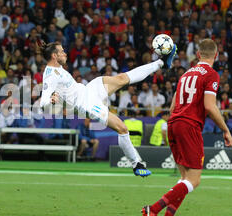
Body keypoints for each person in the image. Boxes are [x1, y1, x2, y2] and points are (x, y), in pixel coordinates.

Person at [39, 41, 177, 177]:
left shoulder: (58, 68)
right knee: (122, 128)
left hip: (89, 90)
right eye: (62, 51)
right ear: (54, 56)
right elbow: (43, 103)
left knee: (122, 78)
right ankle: (136, 164)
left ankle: (162, 63)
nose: (65, 53)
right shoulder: (50, 75)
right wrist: (51, 101)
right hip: (87, 105)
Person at [142, 39, 232, 216]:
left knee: (184, 179)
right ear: (215, 56)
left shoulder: (185, 74)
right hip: (189, 126)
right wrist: (225, 129)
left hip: (173, 123)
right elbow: (210, 106)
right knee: (194, 180)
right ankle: (154, 209)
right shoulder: (211, 74)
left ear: (198, 55)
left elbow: (173, 106)